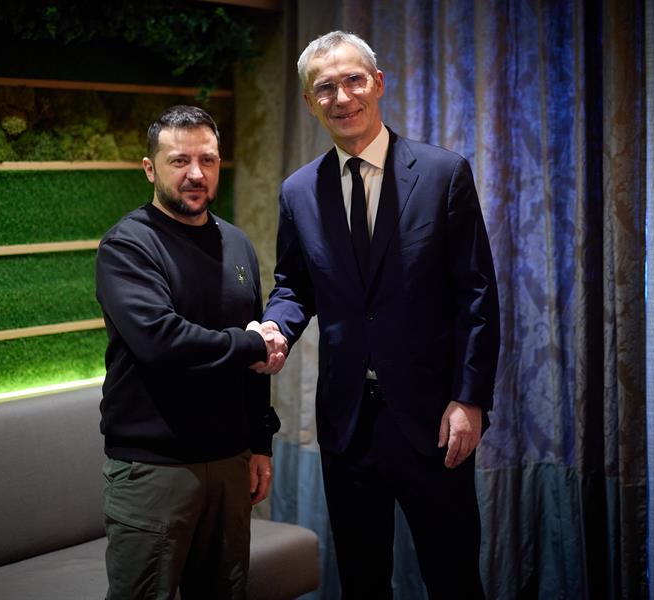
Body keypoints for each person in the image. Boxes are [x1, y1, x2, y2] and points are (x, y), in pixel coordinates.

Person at [256, 32, 500, 599]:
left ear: (378, 83)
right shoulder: (299, 192)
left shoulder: (444, 175)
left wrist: (469, 399)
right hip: (347, 424)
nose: (341, 97)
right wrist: (276, 326)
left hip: (434, 418)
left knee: (454, 576)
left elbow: (477, 295)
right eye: (325, 88)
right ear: (310, 103)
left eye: (353, 80)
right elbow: (294, 285)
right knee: (362, 581)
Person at [95, 105, 284, 600]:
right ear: (150, 168)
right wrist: (249, 344)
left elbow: (254, 358)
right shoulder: (128, 245)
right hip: (154, 469)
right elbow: (161, 342)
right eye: (180, 161)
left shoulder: (238, 244)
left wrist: (260, 440)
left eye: (209, 160)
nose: (196, 173)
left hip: (229, 461)